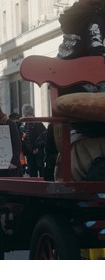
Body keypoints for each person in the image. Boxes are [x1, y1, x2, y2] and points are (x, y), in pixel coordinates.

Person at [56, 0, 105, 180]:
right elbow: (96, 47)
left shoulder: (75, 19)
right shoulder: (93, 19)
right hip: (87, 87)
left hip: (69, 86)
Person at [21, 104, 46, 177]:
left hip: (35, 151)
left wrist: (37, 147)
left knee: (37, 169)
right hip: (30, 151)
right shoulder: (29, 123)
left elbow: (42, 136)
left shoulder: (35, 123)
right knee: (34, 169)